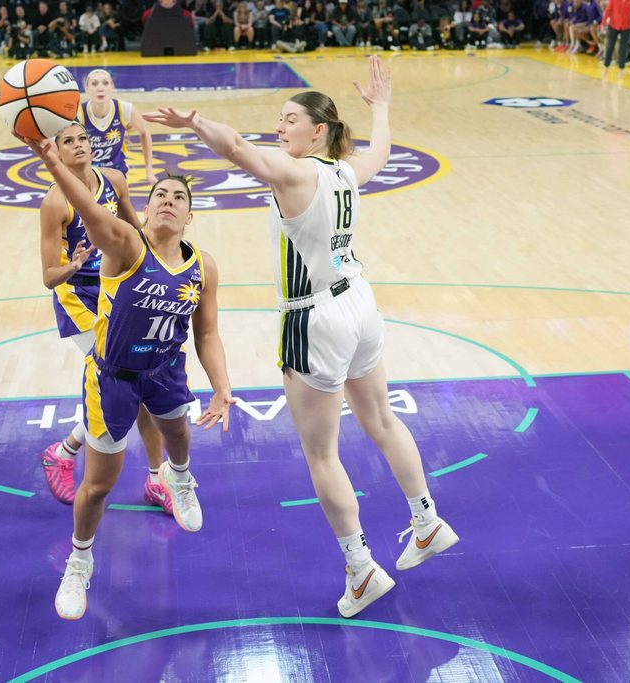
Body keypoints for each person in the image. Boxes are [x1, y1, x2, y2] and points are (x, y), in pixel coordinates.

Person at [144, 55, 459, 619]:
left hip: (314, 317)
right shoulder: (344, 173)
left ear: (318, 130)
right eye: (279, 118)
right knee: (382, 420)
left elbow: (237, 149)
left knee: (321, 454)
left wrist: (194, 122)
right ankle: (426, 519)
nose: (279, 126)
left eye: (289, 119)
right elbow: (380, 155)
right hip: (360, 303)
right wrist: (382, 108)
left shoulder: (297, 173)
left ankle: (361, 570)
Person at [17, 134, 234, 622]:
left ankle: (179, 479)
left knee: (178, 428)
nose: (168, 202)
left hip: (164, 368)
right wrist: (52, 160)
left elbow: (208, 333)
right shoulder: (124, 244)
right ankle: (79, 561)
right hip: (112, 377)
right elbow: (89, 211)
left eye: (179, 198)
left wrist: (222, 386)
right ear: (148, 207)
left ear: (189, 216)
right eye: (160, 195)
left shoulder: (204, 266)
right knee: (97, 487)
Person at [38, 123, 171, 513]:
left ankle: (146, 476)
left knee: (140, 383)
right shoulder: (54, 203)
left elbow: (135, 229)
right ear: (57, 153)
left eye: (82, 139)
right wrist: (74, 263)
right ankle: (147, 475)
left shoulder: (113, 179)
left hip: (117, 287)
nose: (79, 145)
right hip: (78, 295)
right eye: (69, 142)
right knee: (128, 380)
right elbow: (48, 277)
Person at [79, 69, 158, 184]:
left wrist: (149, 171)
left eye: (105, 83)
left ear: (112, 87)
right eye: (94, 84)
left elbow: (145, 133)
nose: (100, 88)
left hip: (116, 172)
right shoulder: (79, 113)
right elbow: (62, 144)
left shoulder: (125, 109)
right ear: (87, 89)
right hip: (87, 173)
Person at [601, 0, 630, 71]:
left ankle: (621, 68)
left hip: (626, 26)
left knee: (623, 48)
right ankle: (606, 65)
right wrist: (603, 24)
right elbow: (608, 11)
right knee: (610, 46)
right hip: (613, 25)